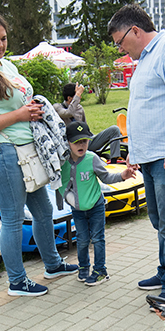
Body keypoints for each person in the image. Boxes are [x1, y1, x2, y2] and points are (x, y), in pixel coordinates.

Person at [0, 12, 78, 296]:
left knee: (44, 210)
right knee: (13, 219)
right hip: (2, 151)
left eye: (3, 38)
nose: (0, 44)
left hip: (27, 150)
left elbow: (21, 105)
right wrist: (19, 115)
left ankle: (52, 264)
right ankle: (17, 281)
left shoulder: (7, 66)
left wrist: (33, 111)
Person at [107, 3, 165, 303]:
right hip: (150, 155)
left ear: (135, 30)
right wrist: (133, 151)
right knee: (159, 219)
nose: (122, 49)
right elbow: (144, 108)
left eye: (120, 42)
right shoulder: (145, 59)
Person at [58, 121, 137, 286]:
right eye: (76, 142)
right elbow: (61, 185)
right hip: (78, 210)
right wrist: (67, 200)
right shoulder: (63, 163)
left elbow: (106, 177)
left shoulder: (92, 158)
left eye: (85, 141)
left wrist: (123, 175)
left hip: (96, 206)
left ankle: (101, 270)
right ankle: (84, 267)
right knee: (82, 239)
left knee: (98, 239)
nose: (81, 145)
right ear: (68, 143)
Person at [53, 83, 124, 161]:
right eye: (78, 95)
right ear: (69, 98)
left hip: (86, 141)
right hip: (73, 145)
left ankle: (114, 161)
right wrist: (77, 95)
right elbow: (69, 113)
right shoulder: (57, 107)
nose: (80, 97)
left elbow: (86, 128)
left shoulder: (80, 108)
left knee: (114, 129)